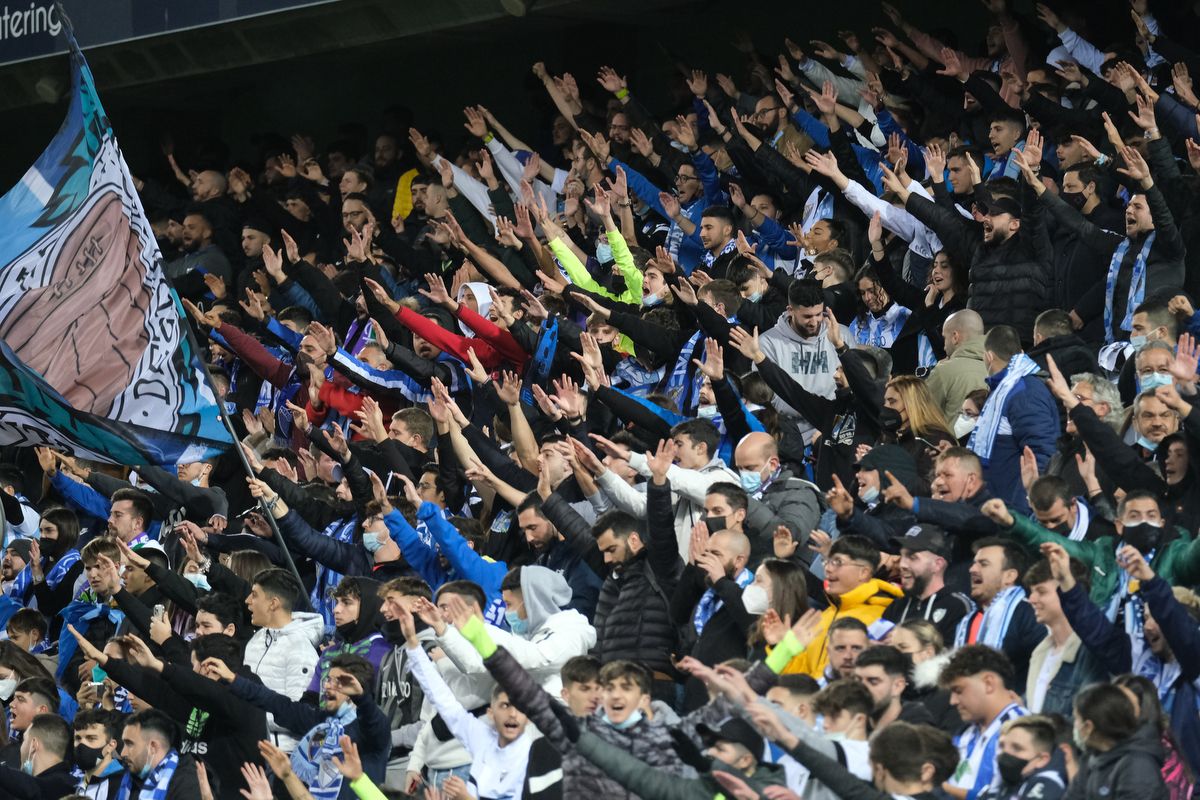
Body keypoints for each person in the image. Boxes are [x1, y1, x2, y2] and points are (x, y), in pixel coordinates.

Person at [968, 325, 1059, 511]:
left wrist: (1023, 510)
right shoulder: (1006, 389)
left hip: (1014, 508)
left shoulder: (1024, 391)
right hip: (999, 504)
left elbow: (1042, 453)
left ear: (989, 357)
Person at [241, 568, 323, 752]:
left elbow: (300, 716)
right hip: (252, 746)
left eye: (254, 595)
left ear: (273, 603)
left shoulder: (300, 648)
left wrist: (246, 716)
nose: (247, 601)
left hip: (283, 755)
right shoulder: (255, 641)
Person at [939, 645, 1029, 800]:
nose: (952, 701)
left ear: (988, 683)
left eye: (959, 690)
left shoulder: (1021, 730)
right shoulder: (965, 733)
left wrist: (938, 787)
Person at [1067, 684, 1169, 800]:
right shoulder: (1091, 757)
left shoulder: (1138, 767)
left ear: (1088, 727)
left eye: (1076, 718)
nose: (1073, 724)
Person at [883, 523, 974, 643]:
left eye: (912, 557)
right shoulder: (896, 607)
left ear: (937, 564)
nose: (902, 565)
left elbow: (958, 658)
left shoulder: (958, 607)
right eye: (902, 556)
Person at [117, 709, 203, 800]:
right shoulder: (130, 780)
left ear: (153, 747)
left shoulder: (188, 785)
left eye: (129, 744)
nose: (123, 753)